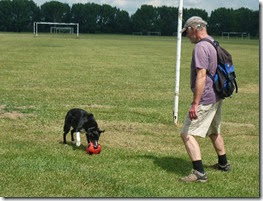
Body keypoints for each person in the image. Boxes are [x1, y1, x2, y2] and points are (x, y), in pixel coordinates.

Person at [179, 16, 231, 182]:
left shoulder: (201, 47)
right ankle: (223, 164)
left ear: (194, 28)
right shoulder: (212, 42)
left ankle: (199, 173)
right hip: (216, 95)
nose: (187, 35)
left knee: (187, 133)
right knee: (213, 130)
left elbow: (201, 75)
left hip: (206, 97)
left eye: (187, 31)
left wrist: (195, 103)